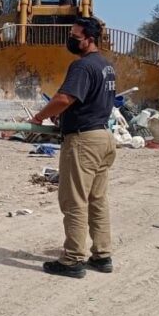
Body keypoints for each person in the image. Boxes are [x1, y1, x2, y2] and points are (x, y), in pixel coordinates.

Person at [32, 17, 117, 279]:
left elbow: (63, 98)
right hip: (103, 137)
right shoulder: (106, 66)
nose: (70, 40)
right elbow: (88, 101)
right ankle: (102, 255)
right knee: (97, 199)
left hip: (84, 141)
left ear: (89, 40)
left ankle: (72, 260)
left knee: (74, 200)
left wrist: (40, 117)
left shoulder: (82, 66)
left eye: (75, 37)